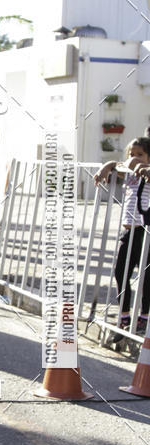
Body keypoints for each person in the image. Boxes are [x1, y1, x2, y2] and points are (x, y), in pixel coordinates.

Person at [94, 137, 150, 338]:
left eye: (140, 154)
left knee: (146, 278)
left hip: (145, 231)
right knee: (121, 272)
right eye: (131, 154)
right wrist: (107, 167)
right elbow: (119, 164)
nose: (134, 158)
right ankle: (124, 315)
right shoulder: (129, 171)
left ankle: (144, 316)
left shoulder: (147, 172)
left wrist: (144, 166)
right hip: (129, 230)